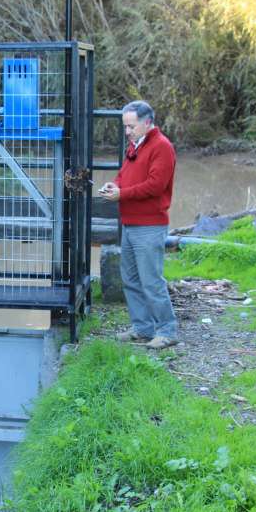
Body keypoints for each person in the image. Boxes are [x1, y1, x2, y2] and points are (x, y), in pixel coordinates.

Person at [99, 100, 178, 349]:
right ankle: (142, 327)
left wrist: (121, 195)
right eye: (125, 127)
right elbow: (125, 175)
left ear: (146, 123)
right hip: (131, 222)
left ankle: (167, 330)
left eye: (131, 126)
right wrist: (114, 185)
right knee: (131, 279)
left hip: (149, 225)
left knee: (151, 280)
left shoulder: (161, 147)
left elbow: (156, 185)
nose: (127, 132)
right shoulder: (135, 145)